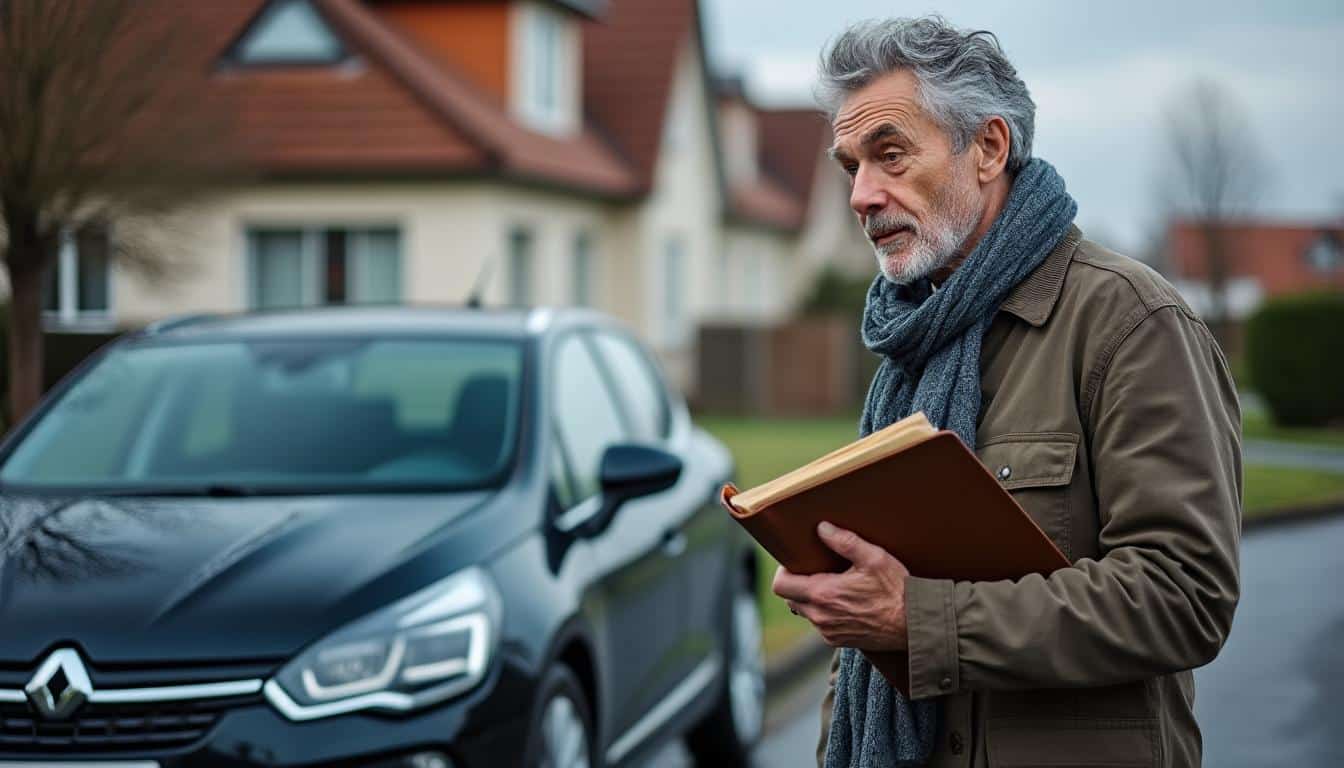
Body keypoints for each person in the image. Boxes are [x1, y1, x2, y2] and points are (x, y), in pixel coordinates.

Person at [770, 16, 1241, 768]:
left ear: (987, 149)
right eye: (850, 165)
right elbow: (862, 652)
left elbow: (1184, 597)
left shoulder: (1129, 321)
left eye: (889, 154)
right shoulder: (909, 344)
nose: (862, 194)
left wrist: (919, 621)